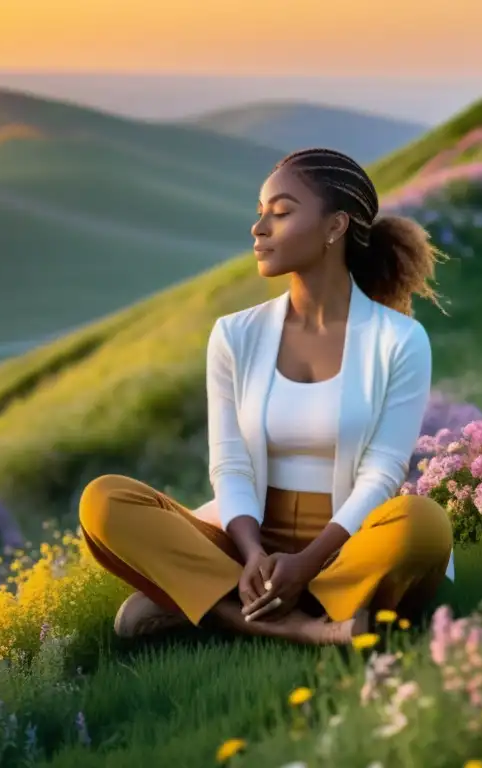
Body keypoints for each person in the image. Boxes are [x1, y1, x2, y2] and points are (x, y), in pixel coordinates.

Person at [79, 147, 456, 646]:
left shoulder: (399, 340)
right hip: (245, 541)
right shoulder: (235, 334)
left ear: (334, 227)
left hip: (345, 544)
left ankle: (215, 606)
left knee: (424, 526)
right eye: (259, 213)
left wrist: (307, 562)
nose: (259, 228)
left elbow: (383, 474)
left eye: (280, 213)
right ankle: (308, 627)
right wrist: (254, 554)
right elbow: (230, 464)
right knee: (104, 501)